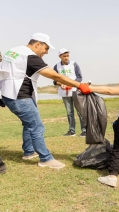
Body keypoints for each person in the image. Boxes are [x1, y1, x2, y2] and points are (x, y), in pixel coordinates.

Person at [0, 33, 90, 169]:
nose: (47, 52)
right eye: (46, 48)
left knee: (29, 123)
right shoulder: (30, 56)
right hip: (20, 96)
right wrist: (79, 85)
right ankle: (46, 158)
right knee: (37, 126)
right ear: (37, 44)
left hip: (9, 94)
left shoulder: (13, 51)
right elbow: (52, 74)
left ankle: (29, 151)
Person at [53, 48, 86, 137]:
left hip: (75, 91)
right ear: (60, 56)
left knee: (80, 111)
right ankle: (72, 131)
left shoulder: (74, 64)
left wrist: (72, 84)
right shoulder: (56, 66)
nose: (66, 58)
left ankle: (84, 130)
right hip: (64, 93)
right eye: (64, 56)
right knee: (69, 112)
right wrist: (60, 84)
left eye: (67, 56)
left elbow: (79, 77)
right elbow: (55, 80)